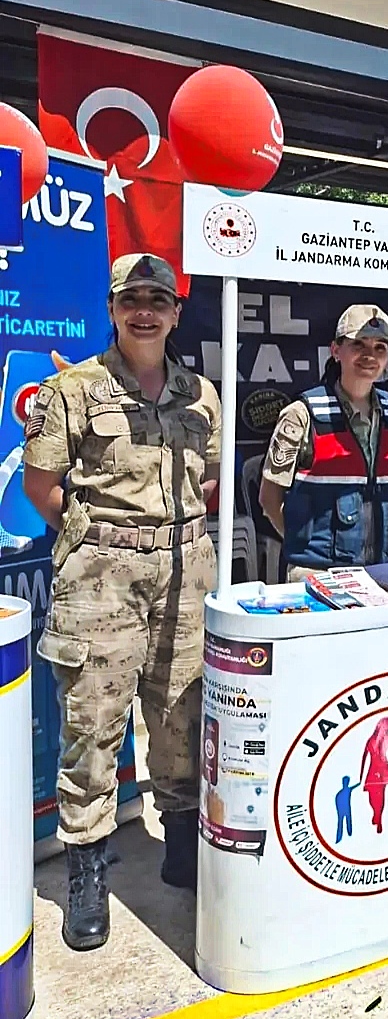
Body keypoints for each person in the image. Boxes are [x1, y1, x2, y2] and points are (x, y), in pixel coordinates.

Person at [22, 253, 220, 951]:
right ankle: (87, 875)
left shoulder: (202, 393)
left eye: (157, 300)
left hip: (185, 571)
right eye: (131, 298)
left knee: (180, 712)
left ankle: (180, 846)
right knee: (94, 725)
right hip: (101, 576)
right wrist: (100, 538)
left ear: (174, 312)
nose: (145, 310)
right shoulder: (72, 389)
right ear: (112, 308)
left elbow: (209, 480)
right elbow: (41, 485)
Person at [260, 305, 388, 581]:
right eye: (358, 344)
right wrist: (304, 543)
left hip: (385, 573)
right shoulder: (302, 414)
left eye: (380, 347)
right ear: (335, 350)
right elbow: (269, 499)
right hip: (319, 575)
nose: (370, 355)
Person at [359, 718, 388, 833]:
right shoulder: (371, 740)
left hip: (383, 770)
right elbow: (364, 757)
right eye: (387, 725)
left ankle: (379, 818)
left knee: (380, 795)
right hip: (374, 770)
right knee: (372, 796)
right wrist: (361, 775)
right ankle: (376, 814)